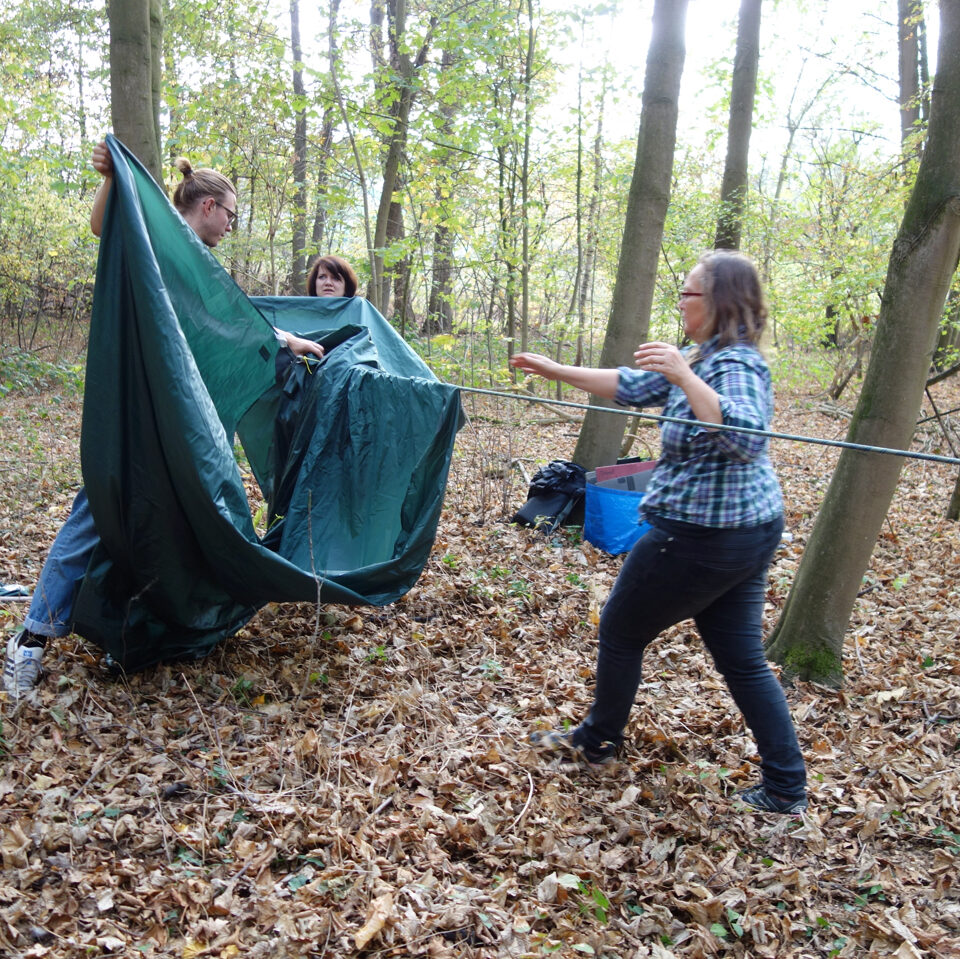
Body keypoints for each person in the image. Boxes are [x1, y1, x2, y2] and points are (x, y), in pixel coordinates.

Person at [3, 142, 325, 699]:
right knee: (96, 513)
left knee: (174, 523)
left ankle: (143, 631)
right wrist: (113, 177)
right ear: (206, 206)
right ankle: (31, 637)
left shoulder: (197, 262)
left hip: (190, 426)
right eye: (230, 213)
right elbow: (106, 226)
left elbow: (225, 326)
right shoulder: (159, 241)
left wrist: (290, 342)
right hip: (142, 419)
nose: (232, 224)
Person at [509, 250, 808, 815]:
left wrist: (685, 373)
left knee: (621, 630)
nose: (680, 302)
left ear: (719, 303)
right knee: (742, 657)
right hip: (743, 532)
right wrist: (553, 369)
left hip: (702, 538)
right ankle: (786, 787)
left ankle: (596, 743)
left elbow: (745, 438)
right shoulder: (702, 358)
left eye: (689, 294)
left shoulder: (734, 366)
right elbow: (626, 385)